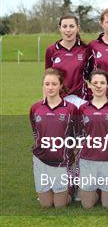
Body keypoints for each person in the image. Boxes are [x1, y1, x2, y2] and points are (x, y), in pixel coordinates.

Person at [30, 68, 79, 208]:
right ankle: (51, 187)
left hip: (62, 161)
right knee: (46, 205)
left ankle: (71, 188)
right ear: (43, 86)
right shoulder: (35, 108)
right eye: (47, 84)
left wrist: (71, 154)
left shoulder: (71, 109)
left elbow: (76, 135)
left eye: (54, 84)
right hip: (41, 160)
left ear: (61, 85)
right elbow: (36, 133)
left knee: (59, 205)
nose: (50, 87)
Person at [77, 69, 108, 209]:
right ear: (89, 85)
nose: (98, 86)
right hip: (88, 160)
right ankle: (95, 189)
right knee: (87, 205)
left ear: (107, 85)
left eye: (102, 83)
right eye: (95, 83)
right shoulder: (82, 108)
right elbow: (79, 135)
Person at [45, 14, 89, 108]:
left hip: (81, 100)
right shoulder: (51, 50)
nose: (68, 30)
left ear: (78, 28)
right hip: (58, 100)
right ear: (59, 28)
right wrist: (46, 102)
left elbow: (92, 77)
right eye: (64, 26)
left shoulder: (86, 49)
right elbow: (47, 79)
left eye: (72, 26)